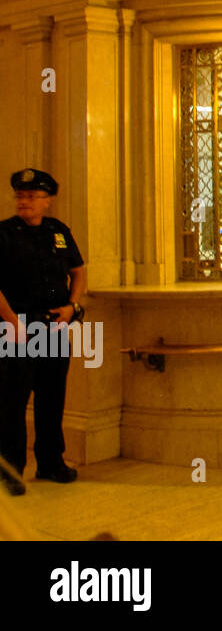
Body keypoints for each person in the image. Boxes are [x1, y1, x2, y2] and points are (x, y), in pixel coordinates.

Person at [0, 169, 86, 495]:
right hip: (16, 328)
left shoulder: (58, 233)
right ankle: (10, 471)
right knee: (12, 402)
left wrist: (72, 308)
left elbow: (77, 271)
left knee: (52, 399)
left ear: (47, 201)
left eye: (32, 196)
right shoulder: (4, 234)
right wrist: (11, 321)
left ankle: (51, 463)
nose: (25, 201)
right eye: (21, 196)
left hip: (53, 326)